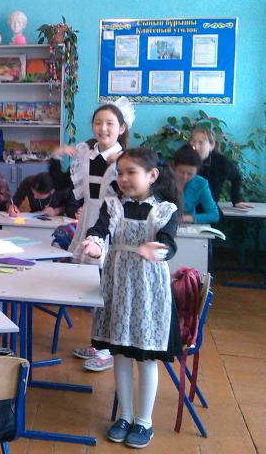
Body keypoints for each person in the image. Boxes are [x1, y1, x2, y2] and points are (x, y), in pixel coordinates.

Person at [81, 147, 182, 448]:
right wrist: (95, 244)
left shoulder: (165, 210)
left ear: (152, 175)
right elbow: (100, 230)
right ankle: (124, 416)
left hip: (149, 294)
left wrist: (157, 249)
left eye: (131, 173)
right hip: (118, 289)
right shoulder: (113, 205)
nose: (123, 178)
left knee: (146, 357)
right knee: (121, 354)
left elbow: (168, 243)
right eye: (120, 173)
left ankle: (144, 421)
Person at [49, 98, 133, 369]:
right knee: (94, 287)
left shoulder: (128, 159)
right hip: (88, 220)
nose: (103, 128)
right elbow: (63, 184)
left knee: (109, 287)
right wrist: (55, 157)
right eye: (98, 122)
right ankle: (98, 343)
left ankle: (108, 349)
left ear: (121, 128)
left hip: (113, 223)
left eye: (110, 123)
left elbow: (135, 193)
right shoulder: (86, 153)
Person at [190, 127, 250, 209]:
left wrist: (236, 200)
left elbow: (236, 177)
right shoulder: (185, 159)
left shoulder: (220, 162)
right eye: (193, 142)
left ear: (211, 145)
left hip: (209, 211)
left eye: (201, 143)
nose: (196, 146)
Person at [173, 144, 219, 224]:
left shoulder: (201, 183)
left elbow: (214, 215)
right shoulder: (164, 179)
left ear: (197, 171)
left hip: (187, 226)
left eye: (190, 174)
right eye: (181, 172)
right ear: (174, 167)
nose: (185, 177)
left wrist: (188, 218)